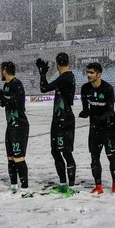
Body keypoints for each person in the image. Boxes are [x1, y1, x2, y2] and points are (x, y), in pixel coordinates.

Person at [36, 53, 77, 197]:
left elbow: (43, 88)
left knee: (65, 152)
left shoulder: (65, 77)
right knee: (56, 151)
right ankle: (63, 184)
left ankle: (70, 187)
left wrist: (42, 74)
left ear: (57, 63)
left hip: (64, 120)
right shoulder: (66, 77)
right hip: (59, 119)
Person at [79, 62, 115, 195]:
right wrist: (84, 113)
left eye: (91, 73)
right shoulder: (85, 88)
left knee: (111, 156)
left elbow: (110, 109)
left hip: (108, 127)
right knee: (94, 157)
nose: (88, 75)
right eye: (87, 72)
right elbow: (86, 108)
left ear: (99, 74)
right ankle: (98, 186)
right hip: (94, 128)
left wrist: (100, 118)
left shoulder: (107, 88)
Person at [0, 62, 30, 196]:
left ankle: (25, 187)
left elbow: (12, 102)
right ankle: (14, 185)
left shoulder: (16, 84)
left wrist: (1, 95)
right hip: (10, 126)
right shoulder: (7, 85)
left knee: (19, 157)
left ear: (5, 71)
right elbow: (3, 103)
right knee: (10, 157)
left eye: (0, 70)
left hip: (19, 125)